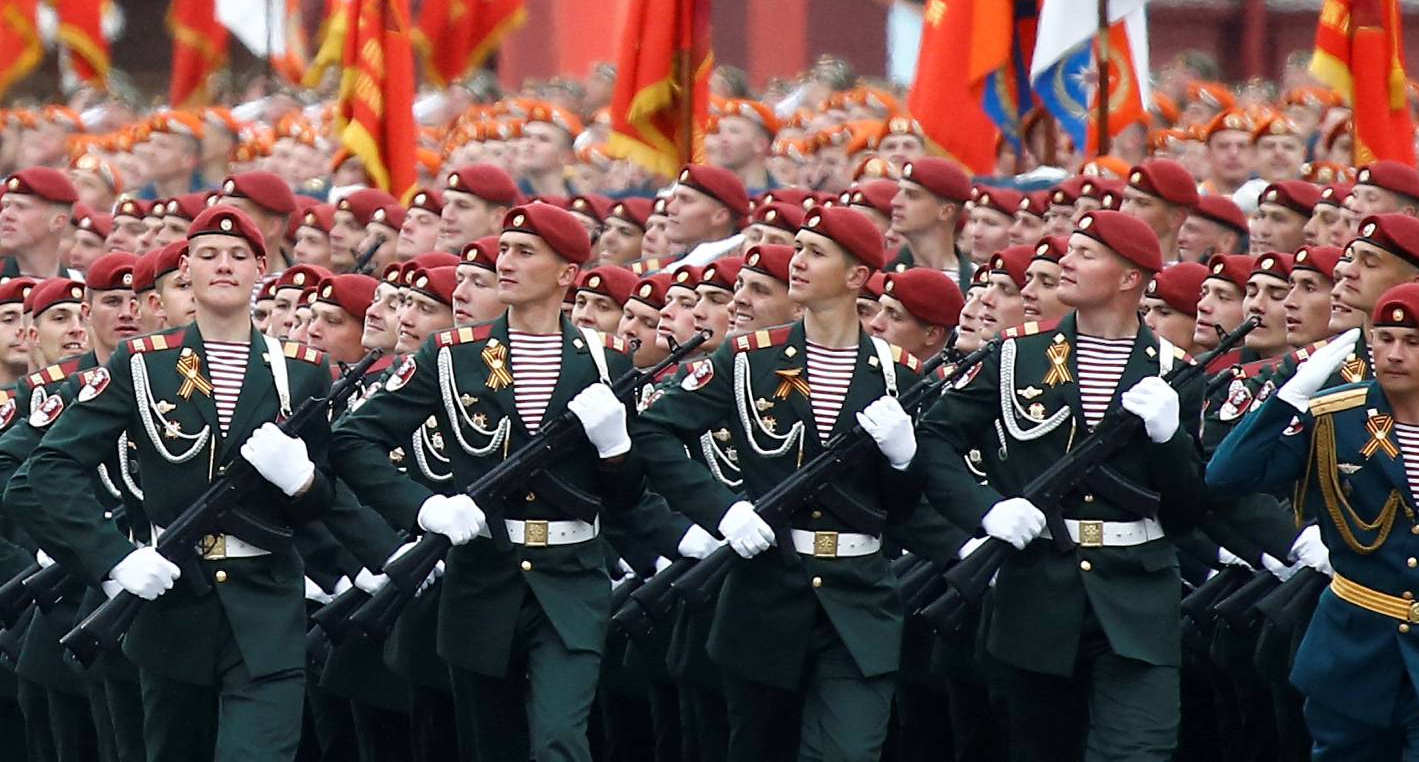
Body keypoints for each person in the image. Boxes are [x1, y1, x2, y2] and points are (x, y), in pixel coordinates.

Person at [333, 199, 655, 762]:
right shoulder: (454, 355)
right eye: (504, 248)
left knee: (560, 739)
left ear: (566, 274)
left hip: (571, 582)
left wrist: (615, 448)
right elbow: (353, 439)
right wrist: (424, 508)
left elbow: (627, 496)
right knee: (491, 745)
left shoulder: (607, 363)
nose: (505, 260)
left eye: (524, 252)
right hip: (481, 581)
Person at [25, 205, 337, 762]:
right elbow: (47, 471)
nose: (224, 266)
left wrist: (304, 481)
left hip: (267, 605)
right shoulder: (143, 364)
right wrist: (114, 559)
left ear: (260, 268)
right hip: (173, 607)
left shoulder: (301, 370)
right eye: (209, 255)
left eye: (239, 256)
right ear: (185, 269)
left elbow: (328, 499)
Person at [633, 203, 925, 762]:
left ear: (858, 276)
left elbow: (904, 507)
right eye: (800, 249)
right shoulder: (748, 360)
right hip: (764, 597)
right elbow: (655, 432)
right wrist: (722, 512)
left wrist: (904, 459)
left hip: (857, 598)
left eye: (817, 253)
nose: (798, 262)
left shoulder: (896, 373)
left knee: (849, 750)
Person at [917, 209, 1207, 762]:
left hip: (1136, 598)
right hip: (1039, 590)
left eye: (1085, 254)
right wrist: (987, 511)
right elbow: (934, 440)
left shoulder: (1175, 371)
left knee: (1136, 752)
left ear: (1129, 279)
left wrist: (1169, 438)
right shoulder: (1015, 355)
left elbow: (1187, 512)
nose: (1065, 262)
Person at [1206, 283, 1419, 758]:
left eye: (1412, 342)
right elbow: (1225, 477)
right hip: (1354, 657)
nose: (1394, 353)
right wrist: (1288, 398)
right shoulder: (1335, 418)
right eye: (1383, 338)